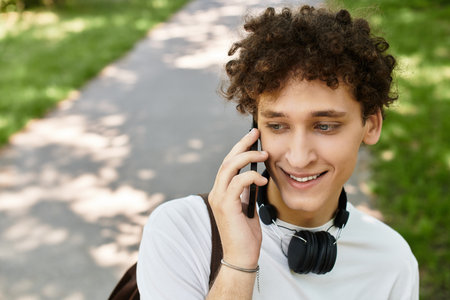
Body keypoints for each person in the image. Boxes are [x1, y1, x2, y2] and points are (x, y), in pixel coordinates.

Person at [136, 4, 419, 299]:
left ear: (371, 125)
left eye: (324, 126)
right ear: (255, 129)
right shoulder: (182, 231)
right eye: (278, 126)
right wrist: (237, 264)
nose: (298, 157)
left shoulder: (392, 261)